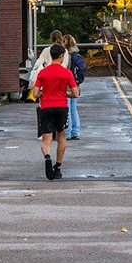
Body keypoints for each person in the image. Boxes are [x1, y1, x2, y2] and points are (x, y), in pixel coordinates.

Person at [33, 42, 79, 180]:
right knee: (61, 137)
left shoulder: (43, 72)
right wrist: (66, 94)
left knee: (46, 138)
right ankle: (57, 167)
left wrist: (44, 94)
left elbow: (35, 94)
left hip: (46, 107)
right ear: (61, 56)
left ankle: (47, 157)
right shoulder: (66, 72)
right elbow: (75, 93)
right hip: (61, 107)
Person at [64, 35, 87, 140]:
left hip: (67, 84)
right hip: (75, 84)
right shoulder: (77, 55)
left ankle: (68, 133)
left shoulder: (66, 56)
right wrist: (78, 81)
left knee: (67, 109)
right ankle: (75, 132)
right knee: (73, 109)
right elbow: (82, 69)